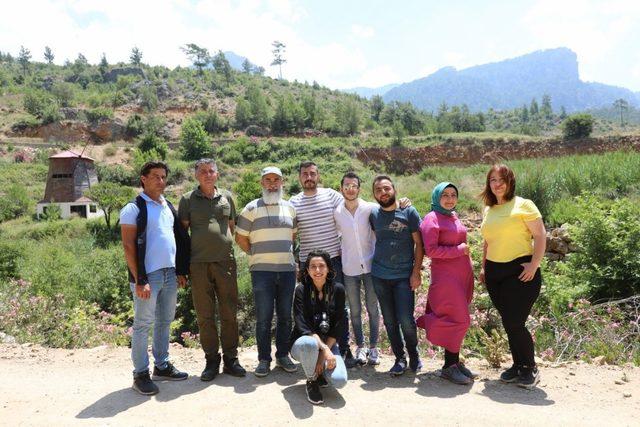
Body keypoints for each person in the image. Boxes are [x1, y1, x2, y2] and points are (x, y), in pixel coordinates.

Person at [120, 161, 189, 395]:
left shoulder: (167, 205)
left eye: (163, 177)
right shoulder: (133, 208)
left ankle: (162, 366)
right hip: (148, 276)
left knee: (165, 321)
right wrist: (140, 279)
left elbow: (176, 239)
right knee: (142, 324)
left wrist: (179, 270)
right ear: (143, 179)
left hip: (169, 273)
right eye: (155, 176)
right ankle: (140, 373)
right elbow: (129, 247)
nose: (161, 181)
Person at [479, 164, 546, 389]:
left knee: (515, 322)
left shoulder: (524, 205)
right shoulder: (488, 209)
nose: (497, 184)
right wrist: (483, 268)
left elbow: (540, 235)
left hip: (519, 271)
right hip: (494, 272)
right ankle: (518, 366)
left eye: (501, 179)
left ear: (510, 181)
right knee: (509, 322)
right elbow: (487, 241)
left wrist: (534, 265)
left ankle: (530, 368)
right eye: (492, 180)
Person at [178, 159, 245, 381]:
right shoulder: (187, 200)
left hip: (225, 263)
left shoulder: (227, 197)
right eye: (203, 172)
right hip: (198, 265)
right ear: (196, 175)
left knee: (229, 313)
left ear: (217, 174)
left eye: (211, 171)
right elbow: (182, 236)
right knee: (205, 315)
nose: (208, 175)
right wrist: (182, 267)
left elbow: (233, 228)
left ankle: (231, 359)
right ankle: (211, 361)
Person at [289, 161, 356, 367]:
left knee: (338, 307)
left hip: (333, 261)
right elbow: (291, 234)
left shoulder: (332, 195)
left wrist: (399, 203)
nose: (309, 177)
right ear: (300, 178)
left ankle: (344, 349)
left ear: (318, 176)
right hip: (308, 264)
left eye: (312, 173)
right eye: (305, 174)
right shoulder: (293, 202)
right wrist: (296, 263)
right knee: (310, 306)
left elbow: (354, 203)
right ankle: (315, 347)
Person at [235, 166, 298, 377]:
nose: (272, 183)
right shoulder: (251, 208)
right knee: (263, 317)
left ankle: (282, 356)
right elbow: (240, 237)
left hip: (287, 271)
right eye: (268, 180)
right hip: (262, 272)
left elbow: (293, 236)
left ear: (282, 183)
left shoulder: (290, 208)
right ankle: (263, 359)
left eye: (276, 180)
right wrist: (255, 254)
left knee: (285, 317)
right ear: (262, 183)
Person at [417, 182, 477, 385]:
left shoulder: (452, 215)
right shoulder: (431, 219)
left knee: (457, 318)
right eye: (445, 195)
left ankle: (454, 362)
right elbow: (431, 250)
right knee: (459, 319)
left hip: (460, 276)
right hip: (446, 279)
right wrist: (459, 251)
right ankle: (449, 367)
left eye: (453, 195)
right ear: (436, 197)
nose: (450, 199)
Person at [370, 175, 424, 376]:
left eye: (386, 188)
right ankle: (399, 358)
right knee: (390, 321)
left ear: (394, 189)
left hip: (403, 275)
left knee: (406, 320)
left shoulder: (408, 211)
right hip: (379, 275)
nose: (383, 193)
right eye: (378, 190)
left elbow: (419, 244)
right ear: (374, 194)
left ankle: (414, 355)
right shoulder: (373, 214)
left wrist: (416, 271)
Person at [333, 172, 381, 365]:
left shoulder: (371, 208)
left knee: (372, 308)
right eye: (346, 186)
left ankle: (374, 348)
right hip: (349, 267)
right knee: (354, 310)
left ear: (359, 188)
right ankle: (360, 347)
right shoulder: (337, 212)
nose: (350, 189)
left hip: (371, 266)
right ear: (341, 188)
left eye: (354, 185)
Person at [290, 250, 348, 405]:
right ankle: (311, 380)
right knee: (310, 344)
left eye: (321, 266)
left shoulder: (338, 290)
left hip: (328, 343)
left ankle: (319, 369)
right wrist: (324, 349)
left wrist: (323, 354)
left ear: (328, 268)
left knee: (340, 380)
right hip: (303, 344)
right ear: (307, 270)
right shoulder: (301, 290)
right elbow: (304, 327)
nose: (317, 270)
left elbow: (337, 326)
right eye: (313, 266)